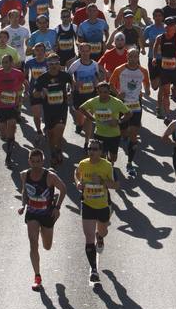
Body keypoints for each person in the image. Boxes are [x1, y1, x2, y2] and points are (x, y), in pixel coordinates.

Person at [17, 149, 66, 291]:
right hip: (32, 213)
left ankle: (48, 227)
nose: (36, 164)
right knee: (33, 243)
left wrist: (57, 208)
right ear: (29, 161)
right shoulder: (24, 175)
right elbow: (25, 191)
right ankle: (37, 277)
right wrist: (22, 205)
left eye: (38, 161)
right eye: (33, 161)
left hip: (47, 214)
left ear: (42, 161)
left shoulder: (50, 176)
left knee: (47, 246)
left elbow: (63, 189)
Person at [74, 139, 118, 284]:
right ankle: (93, 270)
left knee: (103, 232)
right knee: (88, 238)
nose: (91, 151)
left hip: (103, 206)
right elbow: (76, 174)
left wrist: (102, 182)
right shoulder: (83, 164)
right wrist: (78, 183)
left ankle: (100, 236)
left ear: (101, 152)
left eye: (94, 149)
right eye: (90, 149)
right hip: (87, 204)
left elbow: (116, 185)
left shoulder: (107, 166)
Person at [110, 48, 150, 177]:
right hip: (122, 106)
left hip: (136, 106)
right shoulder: (119, 69)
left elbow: (147, 84)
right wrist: (117, 95)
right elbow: (110, 84)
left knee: (133, 133)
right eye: (131, 56)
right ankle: (124, 136)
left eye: (135, 56)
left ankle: (130, 163)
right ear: (127, 56)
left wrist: (147, 90)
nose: (133, 58)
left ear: (138, 57)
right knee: (122, 132)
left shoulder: (143, 71)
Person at [34, 53, 73, 166]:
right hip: (48, 110)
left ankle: (59, 150)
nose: (54, 66)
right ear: (47, 64)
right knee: (51, 135)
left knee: (59, 131)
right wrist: (41, 92)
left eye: (56, 63)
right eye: (51, 64)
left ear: (59, 64)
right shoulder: (42, 78)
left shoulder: (65, 76)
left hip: (61, 109)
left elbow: (72, 87)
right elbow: (35, 94)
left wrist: (70, 92)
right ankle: (52, 152)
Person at [80, 81, 130, 164]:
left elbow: (128, 113)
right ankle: (105, 169)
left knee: (113, 158)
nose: (103, 94)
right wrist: (91, 118)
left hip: (114, 135)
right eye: (100, 92)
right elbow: (82, 108)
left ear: (109, 92)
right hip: (99, 134)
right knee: (101, 157)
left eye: (105, 92)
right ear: (97, 92)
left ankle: (110, 162)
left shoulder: (117, 102)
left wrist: (119, 121)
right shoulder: (94, 101)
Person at [0, 53, 26, 166]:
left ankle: (8, 157)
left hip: (13, 106)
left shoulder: (18, 73)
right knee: (3, 134)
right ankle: (8, 139)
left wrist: (26, 93)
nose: (4, 64)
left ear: (11, 63)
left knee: (11, 125)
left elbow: (24, 83)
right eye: (3, 62)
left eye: (7, 62)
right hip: (0, 106)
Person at [152, 18, 176, 120]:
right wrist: (154, 57)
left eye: (171, 25)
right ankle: (168, 114)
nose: (169, 28)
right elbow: (155, 46)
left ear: (174, 27)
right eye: (167, 25)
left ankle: (175, 91)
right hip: (165, 69)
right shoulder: (160, 38)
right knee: (165, 93)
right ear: (164, 26)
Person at [68, 43, 102, 145]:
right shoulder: (76, 64)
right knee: (80, 118)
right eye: (83, 51)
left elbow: (97, 76)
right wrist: (74, 83)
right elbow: (69, 75)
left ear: (90, 51)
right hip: (79, 94)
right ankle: (79, 125)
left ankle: (87, 142)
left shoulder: (94, 64)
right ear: (79, 51)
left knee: (89, 118)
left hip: (91, 94)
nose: (85, 53)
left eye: (87, 51)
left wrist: (97, 82)